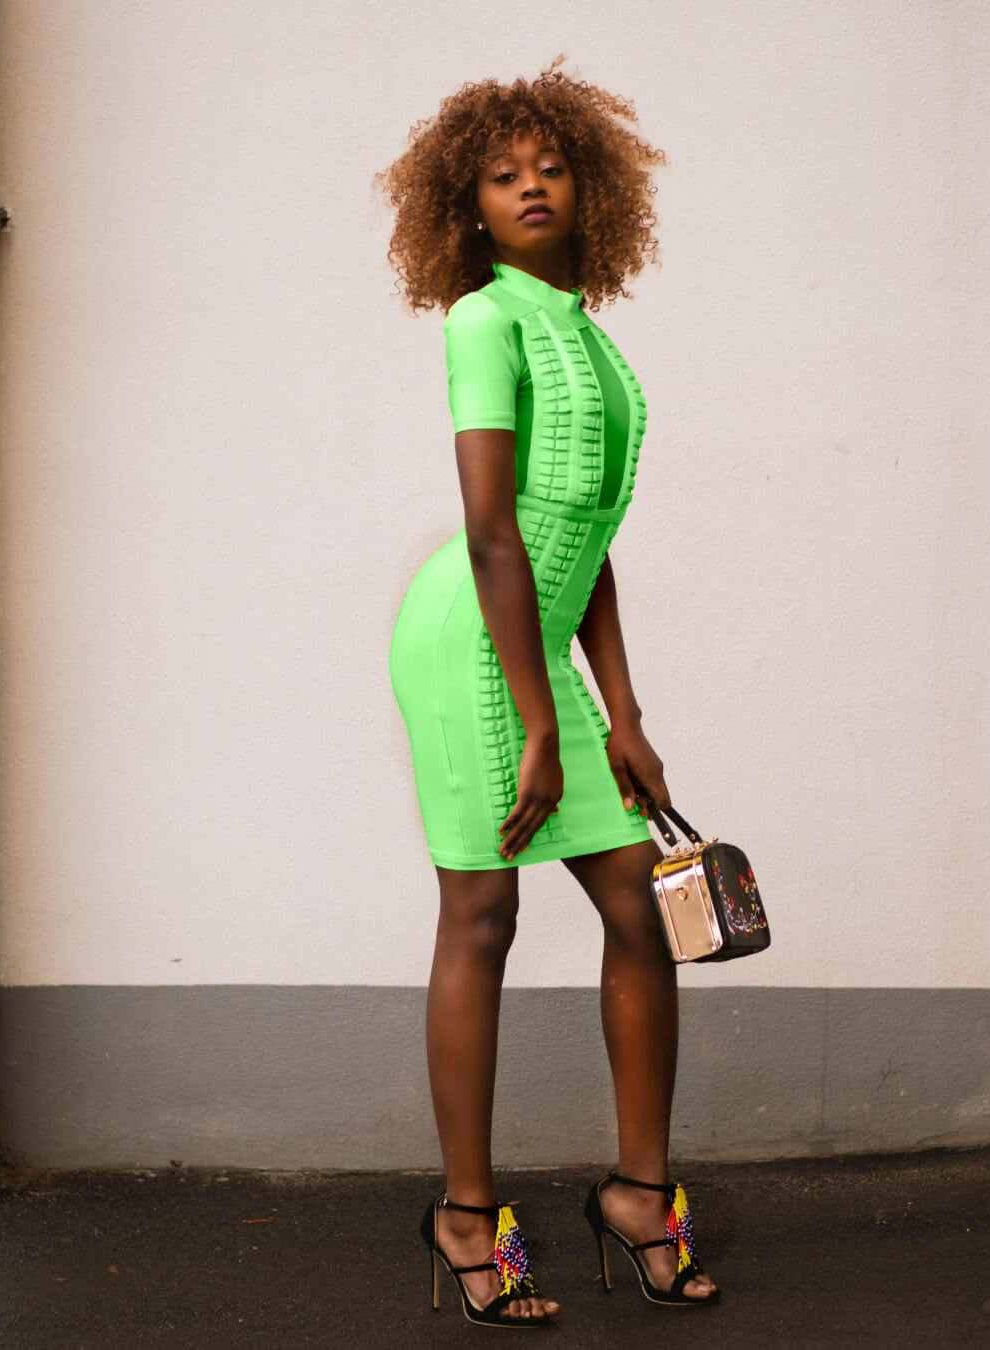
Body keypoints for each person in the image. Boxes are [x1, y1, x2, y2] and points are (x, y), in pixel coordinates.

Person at [375, 54, 721, 1328]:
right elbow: (492, 534)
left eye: (553, 167)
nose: (531, 186)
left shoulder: (589, 337)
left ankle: (637, 1192)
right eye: (501, 175)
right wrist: (537, 720)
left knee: (640, 904)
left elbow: (584, 537)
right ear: (465, 208)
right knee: (485, 913)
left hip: (537, 641)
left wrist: (621, 717)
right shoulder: (484, 321)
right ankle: (466, 1216)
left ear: (592, 189)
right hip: (470, 638)